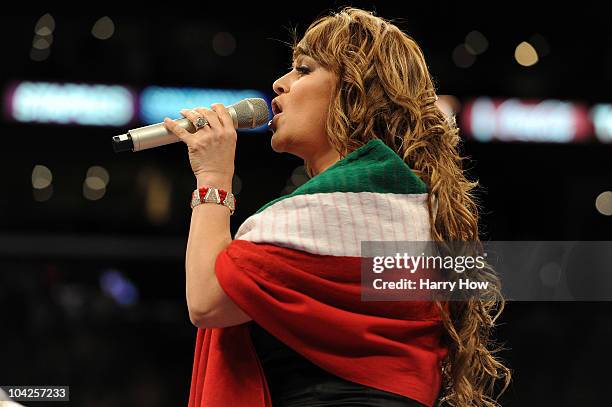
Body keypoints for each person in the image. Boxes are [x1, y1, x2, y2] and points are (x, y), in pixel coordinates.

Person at [163, 7, 511, 407]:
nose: (280, 84)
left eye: (304, 69)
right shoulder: (406, 204)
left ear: (354, 91)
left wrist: (213, 179)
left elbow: (208, 300)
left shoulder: (348, 203)